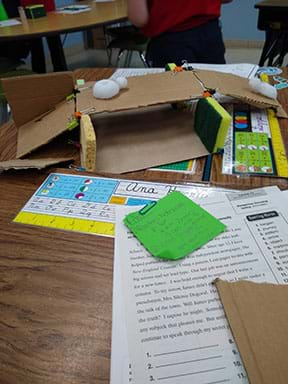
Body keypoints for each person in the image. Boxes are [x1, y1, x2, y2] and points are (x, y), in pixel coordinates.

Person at [127, 0, 233, 67]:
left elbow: (139, 18)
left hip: (171, 40)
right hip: (209, 33)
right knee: (215, 89)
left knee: (179, 94)